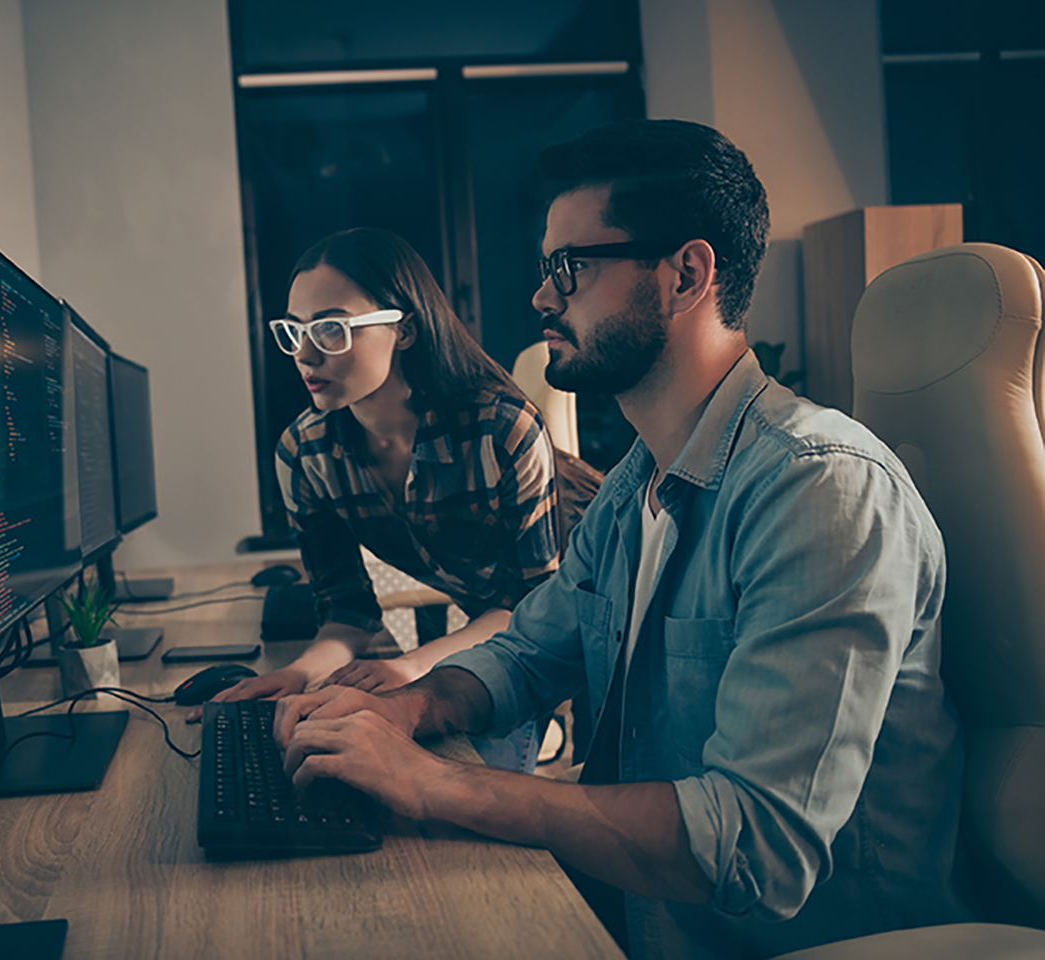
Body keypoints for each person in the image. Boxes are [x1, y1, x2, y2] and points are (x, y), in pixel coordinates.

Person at [271, 119, 972, 959]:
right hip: (644, 920)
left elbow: (752, 844)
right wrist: (405, 707)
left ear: (686, 275)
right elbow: (531, 650)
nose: (540, 300)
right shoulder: (638, 484)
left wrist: (435, 783)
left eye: (570, 269)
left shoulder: (820, 489)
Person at [196, 226, 580, 772]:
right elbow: (347, 609)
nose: (305, 353)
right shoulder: (305, 454)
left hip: (579, 632)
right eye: (294, 331)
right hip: (487, 632)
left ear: (404, 331)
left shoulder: (500, 431)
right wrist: (303, 671)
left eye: (331, 329)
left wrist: (411, 669)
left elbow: (536, 609)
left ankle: (556, 731)